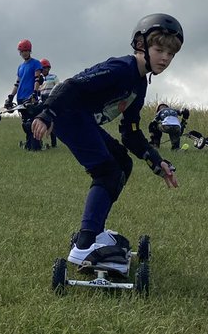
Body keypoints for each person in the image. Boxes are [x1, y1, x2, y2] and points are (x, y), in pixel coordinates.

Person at [31, 14, 184, 273]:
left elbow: (131, 132)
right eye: (159, 50)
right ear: (140, 46)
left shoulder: (139, 85)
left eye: (171, 53)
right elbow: (72, 85)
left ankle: (96, 232)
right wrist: (48, 114)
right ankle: (84, 246)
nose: (165, 58)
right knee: (107, 172)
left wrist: (157, 161)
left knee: (122, 163)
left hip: (83, 120)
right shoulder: (121, 68)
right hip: (69, 115)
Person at [5, 39, 43, 150]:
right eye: (22, 51)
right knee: (25, 123)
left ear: (30, 51)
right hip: (20, 98)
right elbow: (17, 83)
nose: (24, 53)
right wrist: (11, 96)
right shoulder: (20, 67)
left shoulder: (36, 63)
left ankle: (35, 145)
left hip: (30, 98)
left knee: (31, 122)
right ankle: (29, 144)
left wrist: (35, 93)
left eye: (26, 50)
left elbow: (37, 79)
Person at [36, 59, 59, 147]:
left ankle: (54, 144)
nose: (45, 69)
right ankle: (39, 143)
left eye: (47, 67)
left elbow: (57, 87)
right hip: (42, 101)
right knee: (41, 121)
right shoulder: (39, 80)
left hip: (50, 100)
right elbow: (37, 90)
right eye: (43, 68)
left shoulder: (54, 77)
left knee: (51, 122)